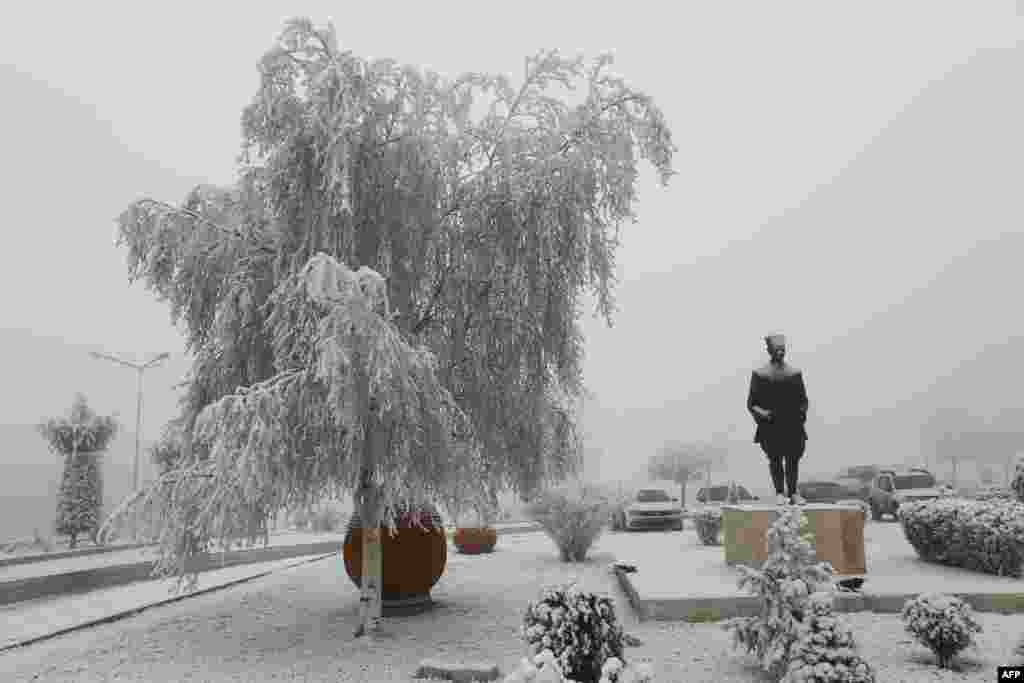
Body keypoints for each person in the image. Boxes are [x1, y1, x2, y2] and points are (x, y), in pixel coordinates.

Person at [747, 334, 809, 505]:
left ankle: (793, 492)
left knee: (792, 460)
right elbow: (751, 404)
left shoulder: (794, 374)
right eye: (777, 349)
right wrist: (764, 414)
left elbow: (803, 400)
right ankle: (780, 492)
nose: (780, 352)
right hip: (771, 426)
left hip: (792, 425)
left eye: (783, 349)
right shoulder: (760, 374)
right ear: (769, 351)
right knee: (775, 459)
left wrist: (801, 415)